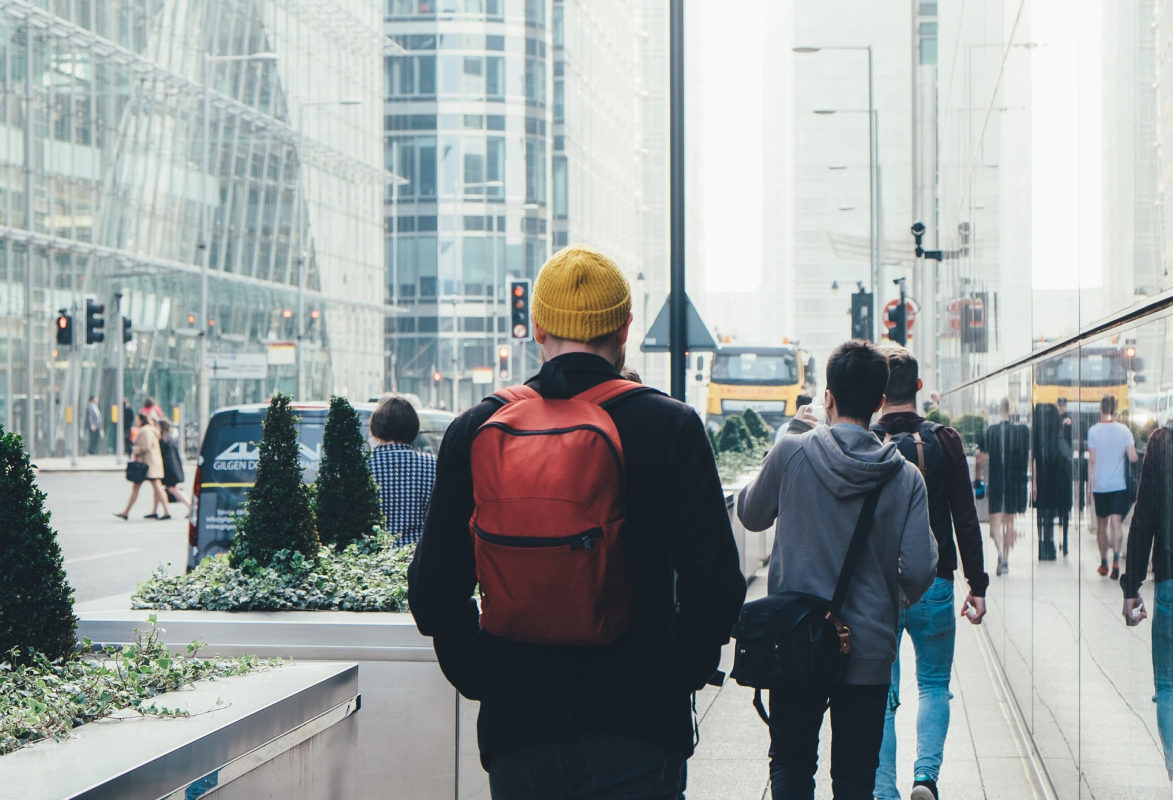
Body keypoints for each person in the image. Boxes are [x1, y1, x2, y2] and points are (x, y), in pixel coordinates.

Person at [408, 245, 746, 799]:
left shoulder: (477, 428)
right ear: (625, 328)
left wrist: (485, 676)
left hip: (520, 724)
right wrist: (673, 674)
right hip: (639, 720)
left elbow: (432, 589)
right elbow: (715, 584)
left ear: (537, 327)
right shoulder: (671, 427)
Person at [738, 339, 937, 800]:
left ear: (828, 397)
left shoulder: (791, 453)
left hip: (794, 644)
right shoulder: (906, 477)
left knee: (790, 764)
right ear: (880, 402)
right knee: (853, 780)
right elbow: (922, 567)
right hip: (867, 649)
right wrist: (890, 598)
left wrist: (788, 435)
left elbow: (750, 514)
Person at [870, 347, 987, 800]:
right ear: (919, 388)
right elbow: (966, 519)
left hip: (878, 587)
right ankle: (925, 778)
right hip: (936, 581)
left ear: (880, 393)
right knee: (935, 684)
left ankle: (883, 790)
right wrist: (977, 586)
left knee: (882, 692)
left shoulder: (866, 440)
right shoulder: (945, 440)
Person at [1121, 419, 1173, 781]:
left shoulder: (1163, 443)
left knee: (1169, 686)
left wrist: (1131, 588)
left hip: (1170, 583)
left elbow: (1143, 521)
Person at [367, 394, 436, 547]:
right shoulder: (432, 465)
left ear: (376, 426)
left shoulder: (365, 467)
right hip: (419, 554)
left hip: (375, 555)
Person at [974, 398, 1030, 576]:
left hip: (997, 481)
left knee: (995, 524)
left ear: (999, 410)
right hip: (1014, 482)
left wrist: (978, 477)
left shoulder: (991, 431)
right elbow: (1028, 458)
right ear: (1012, 409)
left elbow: (979, 458)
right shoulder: (1020, 432)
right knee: (1009, 522)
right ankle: (1005, 558)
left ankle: (999, 552)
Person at [1088, 394, 1138, 579]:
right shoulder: (1124, 430)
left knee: (1102, 524)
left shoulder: (1093, 431)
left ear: (1101, 409)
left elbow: (1092, 460)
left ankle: (1104, 563)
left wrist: (1089, 485)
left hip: (1100, 485)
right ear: (1115, 410)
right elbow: (1133, 456)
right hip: (1119, 484)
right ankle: (1117, 559)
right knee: (1116, 523)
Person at [1032, 402, 1074, 559]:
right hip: (1061, 478)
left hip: (1044, 477)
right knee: (1061, 510)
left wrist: (1035, 481)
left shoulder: (1038, 437)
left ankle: (1045, 543)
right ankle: (1063, 542)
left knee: (1045, 512)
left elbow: (1034, 458)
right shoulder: (1061, 434)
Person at [115, 413, 170, 520]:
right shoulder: (149, 430)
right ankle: (127, 512)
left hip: (147, 465)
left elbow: (146, 446)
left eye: (137, 420)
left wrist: (135, 450)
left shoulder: (146, 431)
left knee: (156, 488)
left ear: (141, 420)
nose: (136, 422)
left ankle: (166, 511)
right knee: (151, 488)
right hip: (148, 464)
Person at [158, 418, 190, 511]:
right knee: (161, 488)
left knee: (171, 489)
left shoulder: (163, 439)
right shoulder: (169, 437)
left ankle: (190, 506)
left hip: (169, 469)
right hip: (172, 468)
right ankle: (155, 510)